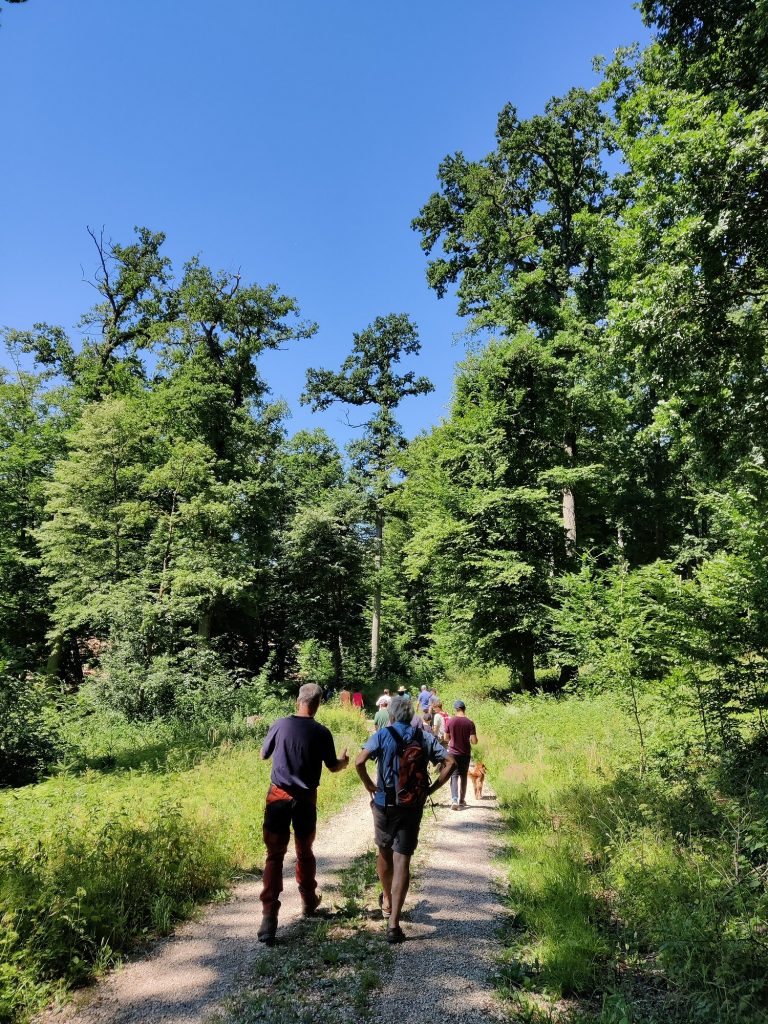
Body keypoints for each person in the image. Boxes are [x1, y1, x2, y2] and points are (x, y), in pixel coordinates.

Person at [355, 695, 455, 943]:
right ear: (411, 716)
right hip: (411, 806)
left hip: (385, 805)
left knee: (384, 853)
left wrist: (370, 785)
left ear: (390, 715)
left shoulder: (382, 734)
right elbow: (450, 762)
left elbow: (359, 761)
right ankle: (394, 924)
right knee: (403, 862)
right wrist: (430, 791)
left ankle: (387, 898)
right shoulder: (423, 737)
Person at [258, 683, 350, 944]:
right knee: (304, 851)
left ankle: (268, 918)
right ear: (318, 703)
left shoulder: (280, 724)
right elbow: (333, 766)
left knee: (274, 856)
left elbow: (264, 755)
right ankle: (308, 901)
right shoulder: (321, 732)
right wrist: (343, 762)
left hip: (277, 797)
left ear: (298, 700)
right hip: (306, 800)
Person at [445, 699, 478, 810]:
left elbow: (446, 738)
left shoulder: (450, 721)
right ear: (464, 709)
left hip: (453, 752)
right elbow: (474, 741)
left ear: (455, 709)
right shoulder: (470, 722)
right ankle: (462, 800)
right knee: (463, 775)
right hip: (465, 753)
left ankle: (454, 799)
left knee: (454, 775)